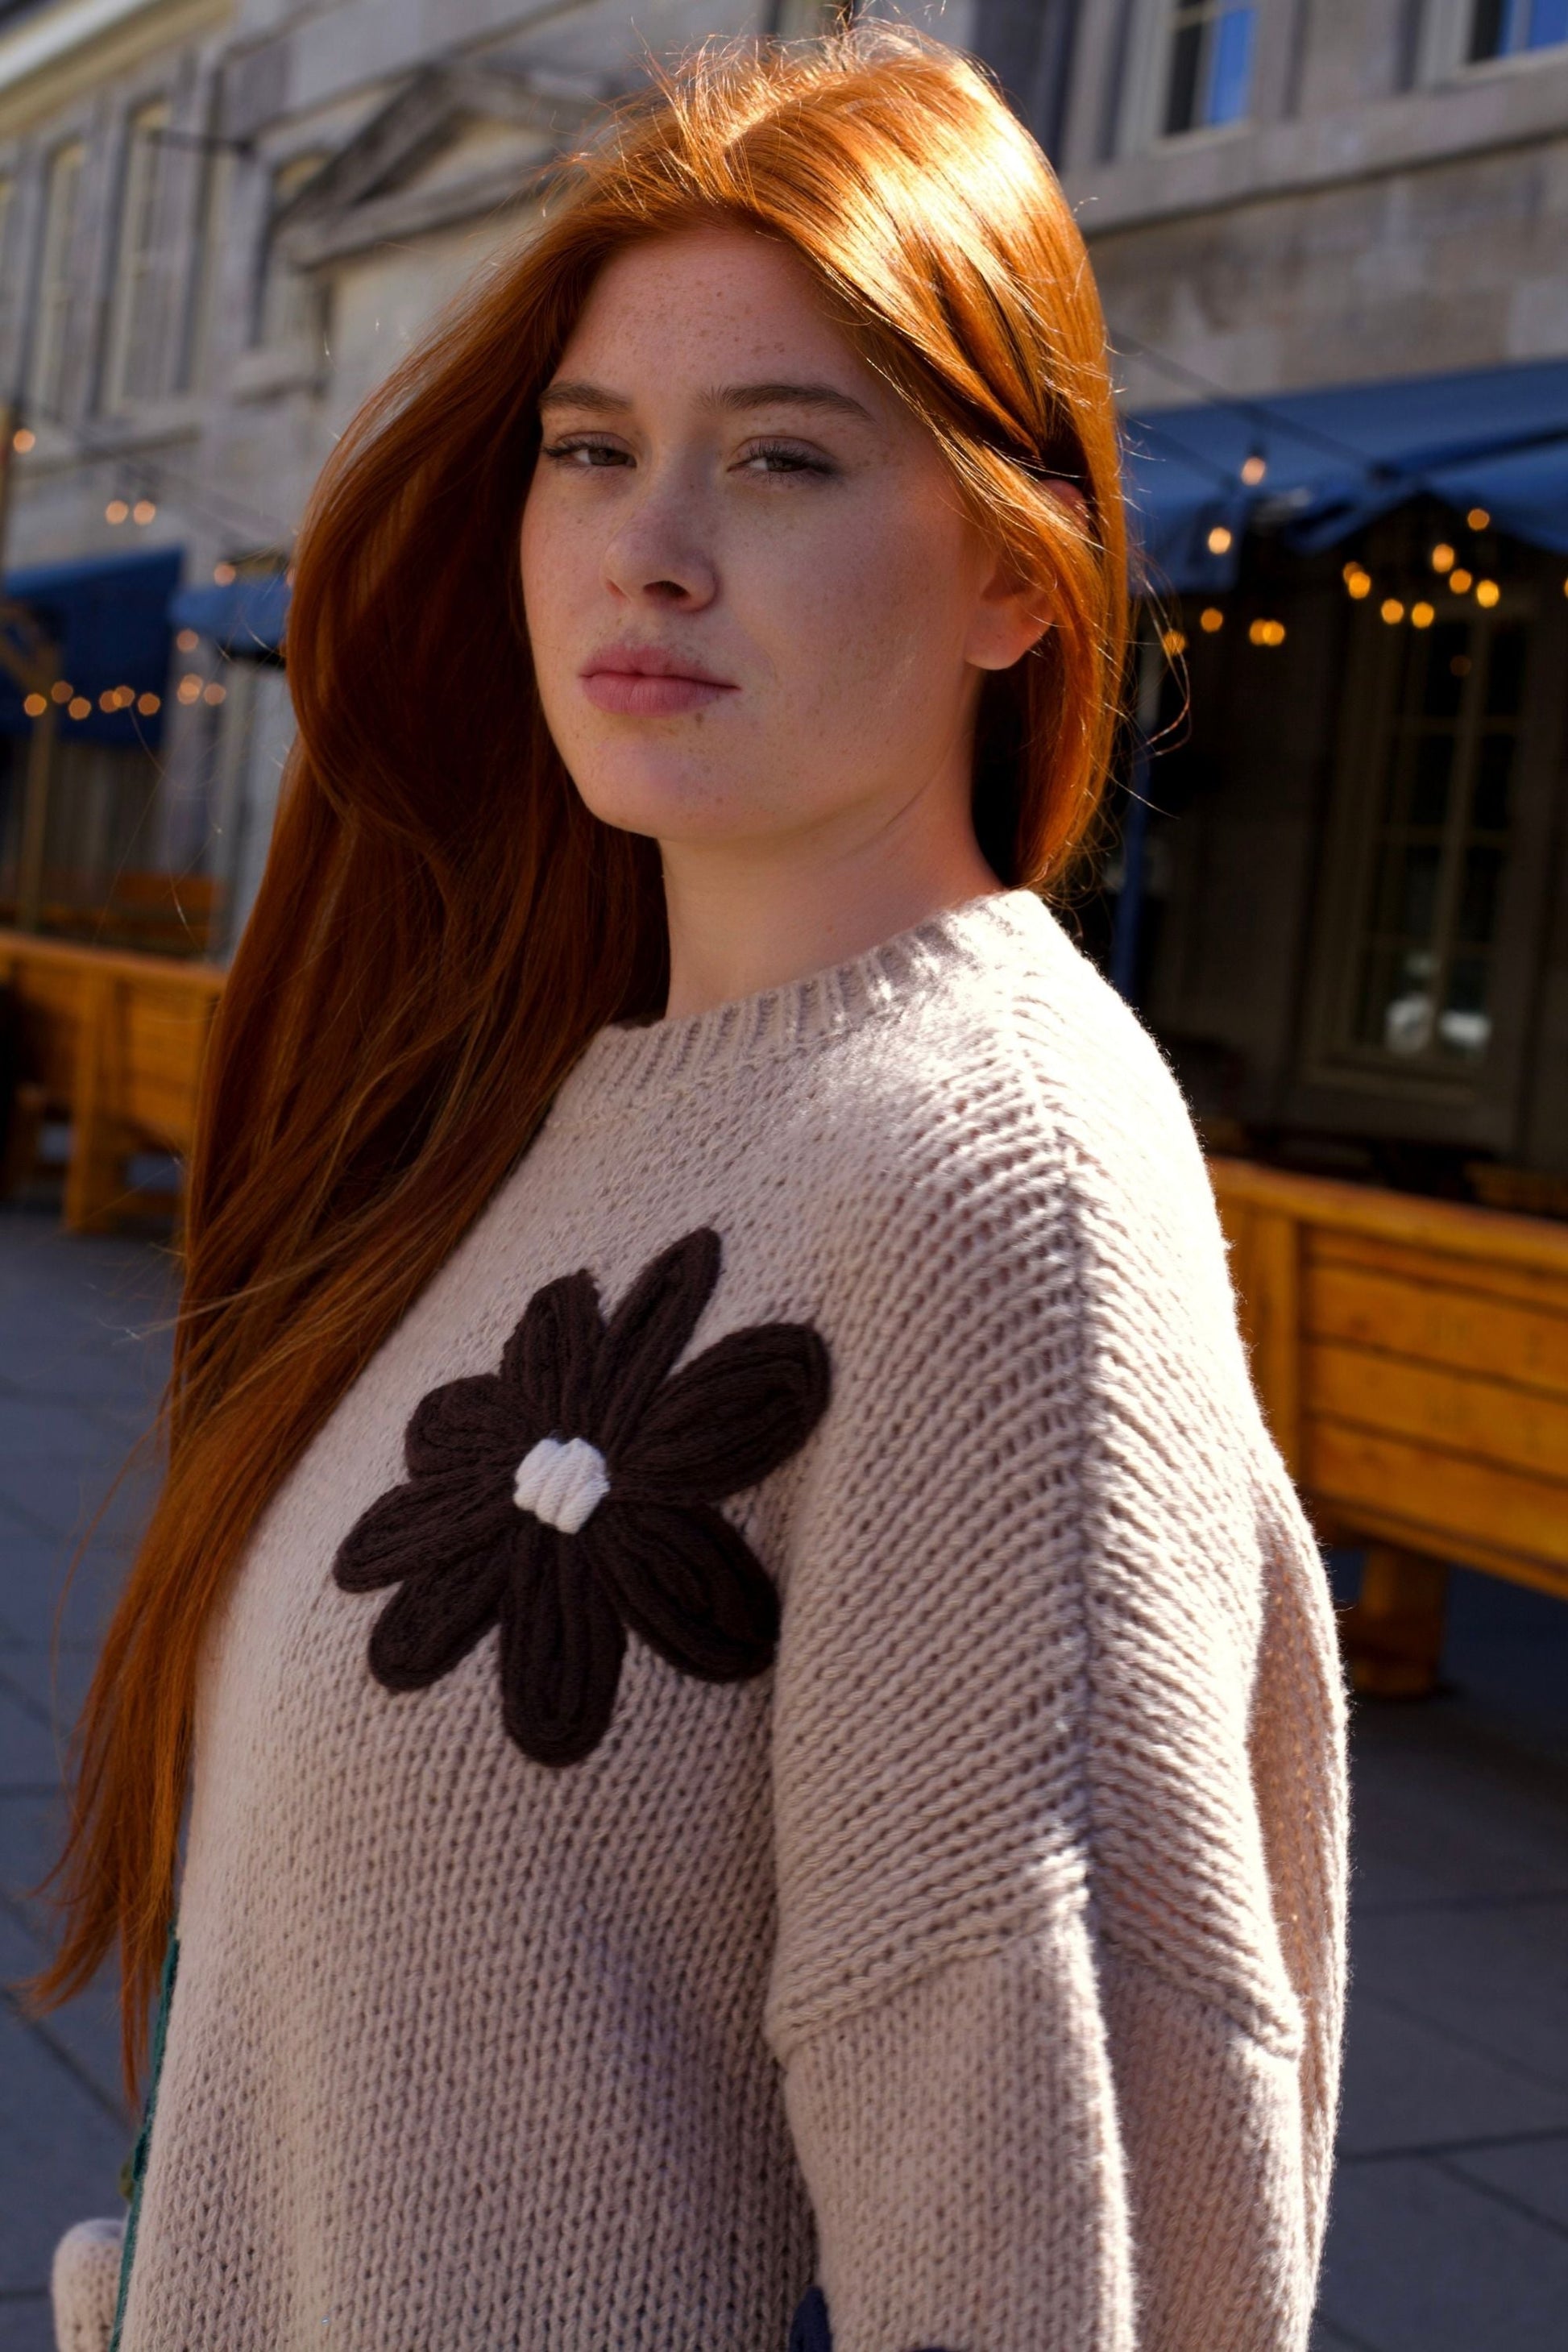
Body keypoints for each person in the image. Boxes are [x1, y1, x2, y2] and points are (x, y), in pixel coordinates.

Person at [40, 28, 1346, 2352]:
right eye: (590, 449)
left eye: (780, 458)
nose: (646, 548)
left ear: (1015, 578)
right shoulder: (554, 1088)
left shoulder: (986, 1183)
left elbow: (1044, 2209)